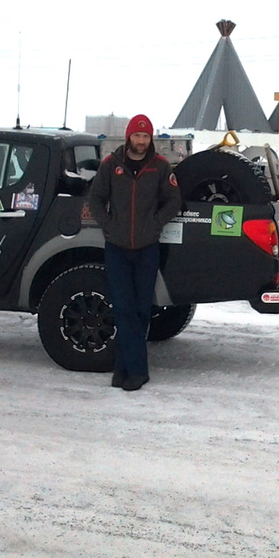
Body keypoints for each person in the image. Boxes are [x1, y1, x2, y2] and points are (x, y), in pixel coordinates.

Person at [86, 114, 182, 391]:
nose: (141, 141)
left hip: (146, 248)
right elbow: (95, 198)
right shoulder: (111, 165)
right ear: (129, 137)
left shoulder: (160, 167)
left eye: (146, 136)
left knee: (141, 310)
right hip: (117, 248)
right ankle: (137, 371)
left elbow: (173, 201)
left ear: (150, 139)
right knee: (123, 308)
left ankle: (123, 368)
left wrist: (154, 225)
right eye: (137, 135)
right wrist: (108, 225)